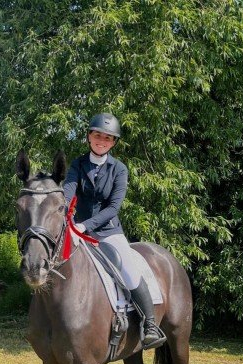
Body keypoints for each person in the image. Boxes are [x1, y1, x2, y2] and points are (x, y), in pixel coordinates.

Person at [63, 113, 166, 349]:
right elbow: (68, 191)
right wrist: (64, 213)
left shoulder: (119, 169)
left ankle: (149, 324)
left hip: (108, 232)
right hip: (76, 230)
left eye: (108, 138)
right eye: (98, 135)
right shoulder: (78, 165)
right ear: (89, 136)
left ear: (113, 143)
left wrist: (84, 225)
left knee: (128, 269)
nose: (102, 141)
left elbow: (113, 207)